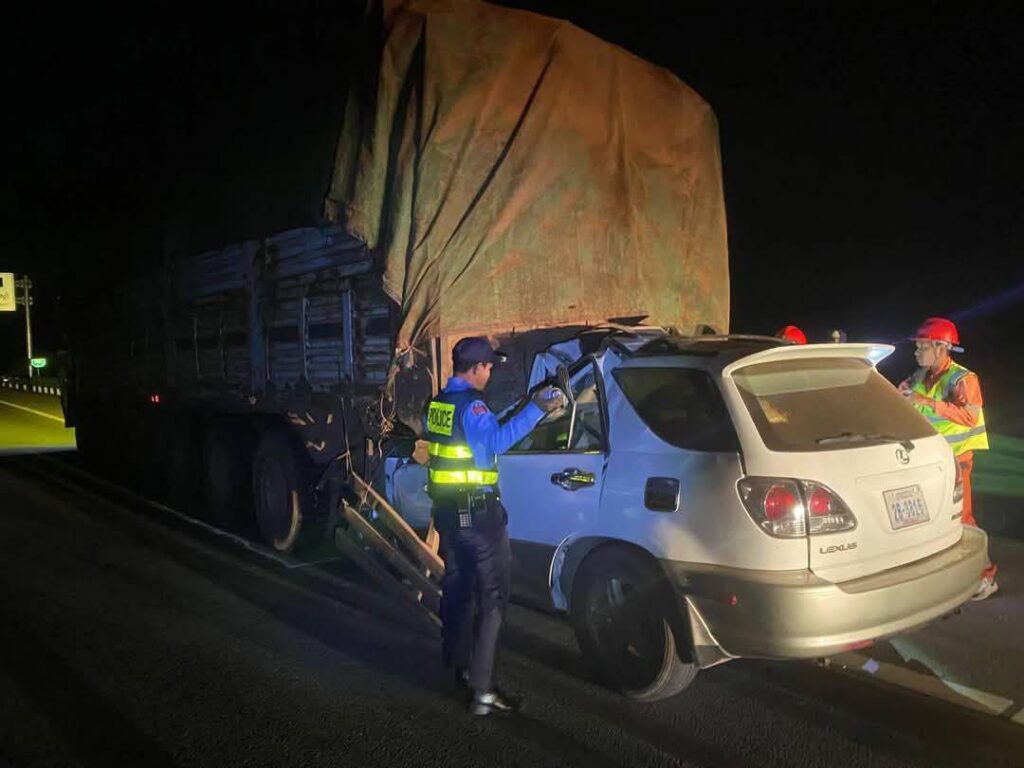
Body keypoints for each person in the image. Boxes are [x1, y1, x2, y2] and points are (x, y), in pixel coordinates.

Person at [425, 336, 563, 715]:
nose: (489, 373)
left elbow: (469, 440)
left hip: (448, 513)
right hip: (477, 515)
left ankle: (457, 671)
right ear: (475, 368)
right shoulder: (473, 406)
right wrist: (537, 409)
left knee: (458, 591)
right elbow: (497, 441)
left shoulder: (439, 403)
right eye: (488, 367)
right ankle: (483, 691)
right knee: (494, 598)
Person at [899, 317, 997, 600]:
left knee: (963, 520)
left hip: (957, 460)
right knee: (933, 519)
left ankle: (985, 577)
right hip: (929, 460)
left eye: (922, 346)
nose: (916, 352)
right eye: (917, 346)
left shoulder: (964, 379)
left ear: (941, 348)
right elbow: (898, 395)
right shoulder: (920, 376)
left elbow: (969, 416)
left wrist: (926, 402)